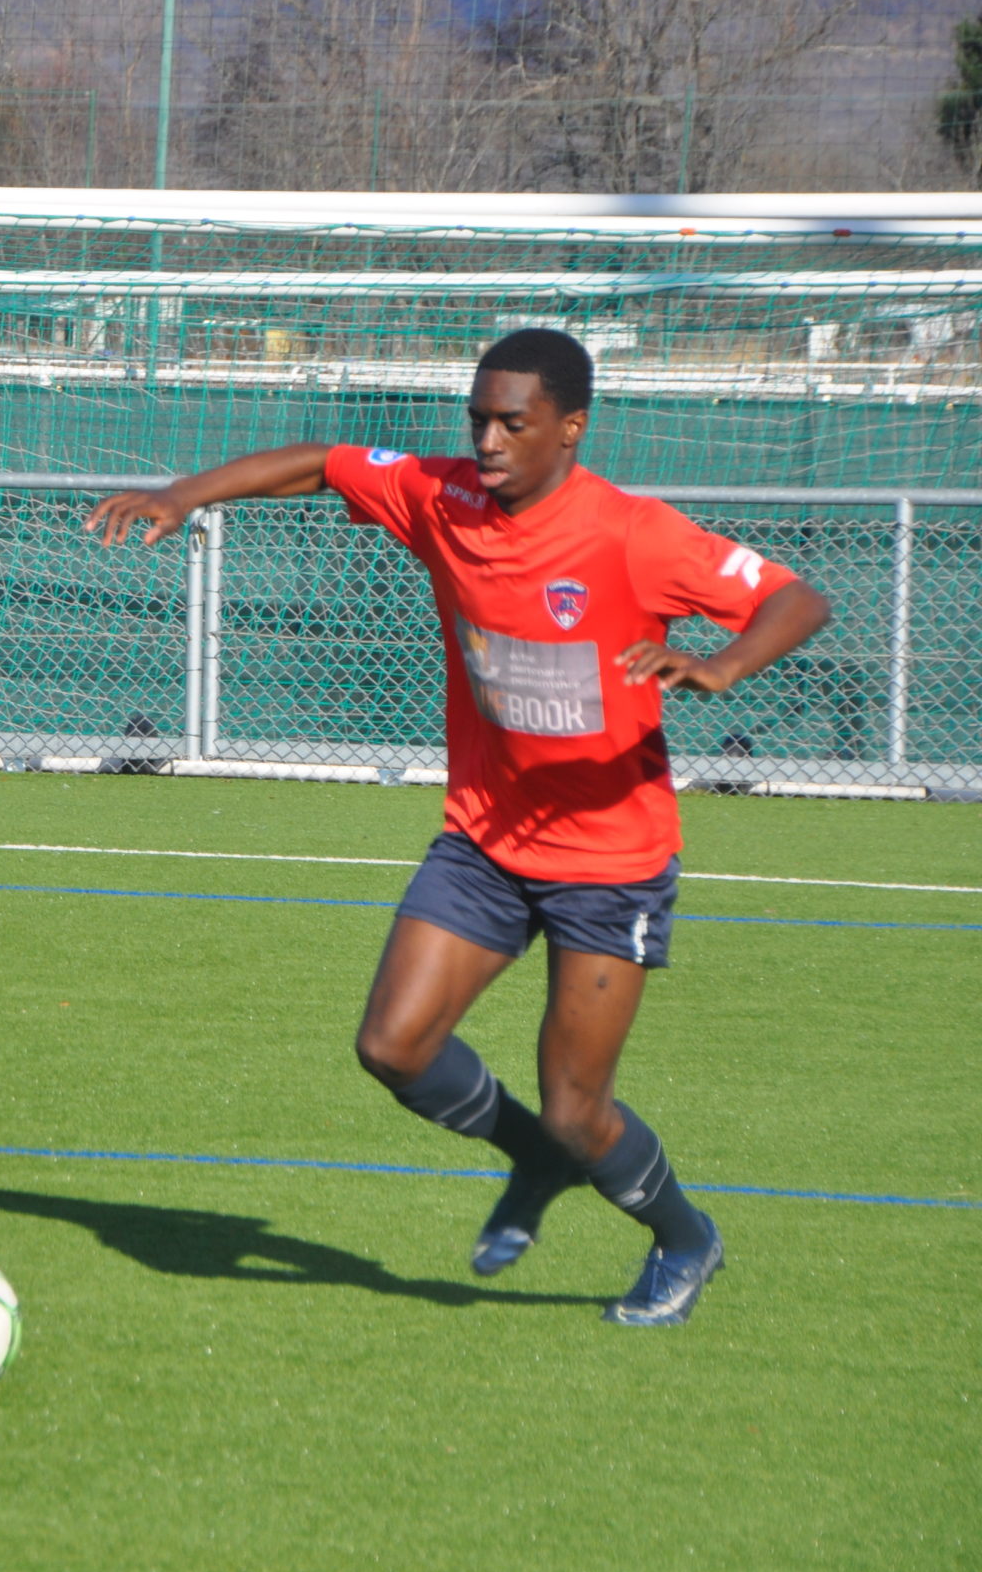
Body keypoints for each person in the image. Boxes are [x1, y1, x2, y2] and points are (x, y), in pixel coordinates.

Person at [87, 327, 830, 1326]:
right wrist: (187, 494)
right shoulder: (443, 499)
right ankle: (534, 1159)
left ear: (570, 427)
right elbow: (318, 461)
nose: (485, 439)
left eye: (510, 422)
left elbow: (796, 597)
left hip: (608, 864)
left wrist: (721, 665)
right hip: (484, 839)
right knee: (392, 1046)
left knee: (578, 1108)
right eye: (475, 417)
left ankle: (683, 1235)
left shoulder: (631, 533)